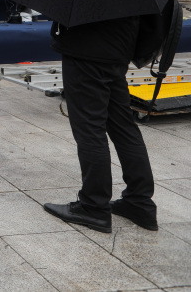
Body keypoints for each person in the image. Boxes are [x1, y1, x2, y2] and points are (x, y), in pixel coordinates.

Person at [44, 16, 158, 233]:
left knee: (90, 129)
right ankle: (139, 201)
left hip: (87, 48)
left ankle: (94, 206)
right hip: (120, 45)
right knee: (123, 126)